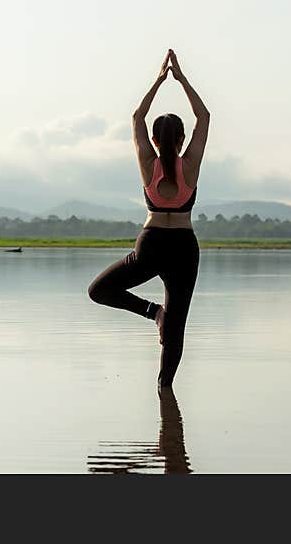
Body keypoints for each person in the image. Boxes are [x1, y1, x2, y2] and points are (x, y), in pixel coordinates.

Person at [88, 49, 210, 387]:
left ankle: (153, 312)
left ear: (155, 141)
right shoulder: (191, 165)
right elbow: (205, 117)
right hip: (185, 247)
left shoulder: (147, 162)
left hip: (152, 244)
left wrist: (158, 81)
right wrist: (181, 79)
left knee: (99, 290)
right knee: (177, 324)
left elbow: (137, 117)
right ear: (182, 140)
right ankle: (164, 391)